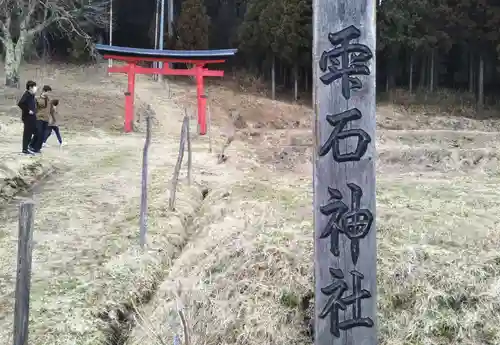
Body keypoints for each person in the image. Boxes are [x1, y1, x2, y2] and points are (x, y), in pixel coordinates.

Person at [17, 80, 38, 155]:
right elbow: (20, 104)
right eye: (34, 87)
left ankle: (30, 146)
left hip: (32, 117)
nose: (36, 88)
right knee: (27, 133)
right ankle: (25, 149)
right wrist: (28, 111)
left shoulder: (32, 95)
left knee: (36, 132)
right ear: (30, 87)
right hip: (27, 117)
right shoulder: (26, 94)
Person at [30, 85, 52, 153]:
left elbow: (49, 109)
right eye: (48, 92)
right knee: (39, 133)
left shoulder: (49, 100)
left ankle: (37, 148)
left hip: (46, 119)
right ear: (44, 91)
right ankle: (32, 146)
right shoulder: (37, 99)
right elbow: (34, 108)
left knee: (42, 135)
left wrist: (50, 118)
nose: (48, 94)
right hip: (39, 118)